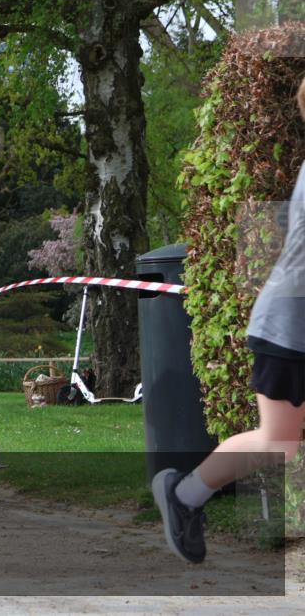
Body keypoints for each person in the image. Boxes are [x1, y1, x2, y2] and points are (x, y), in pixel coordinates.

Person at [152, 77, 305, 564]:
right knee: (278, 442)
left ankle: (185, 495)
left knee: (281, 443)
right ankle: (183, 495)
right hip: (288, 327)